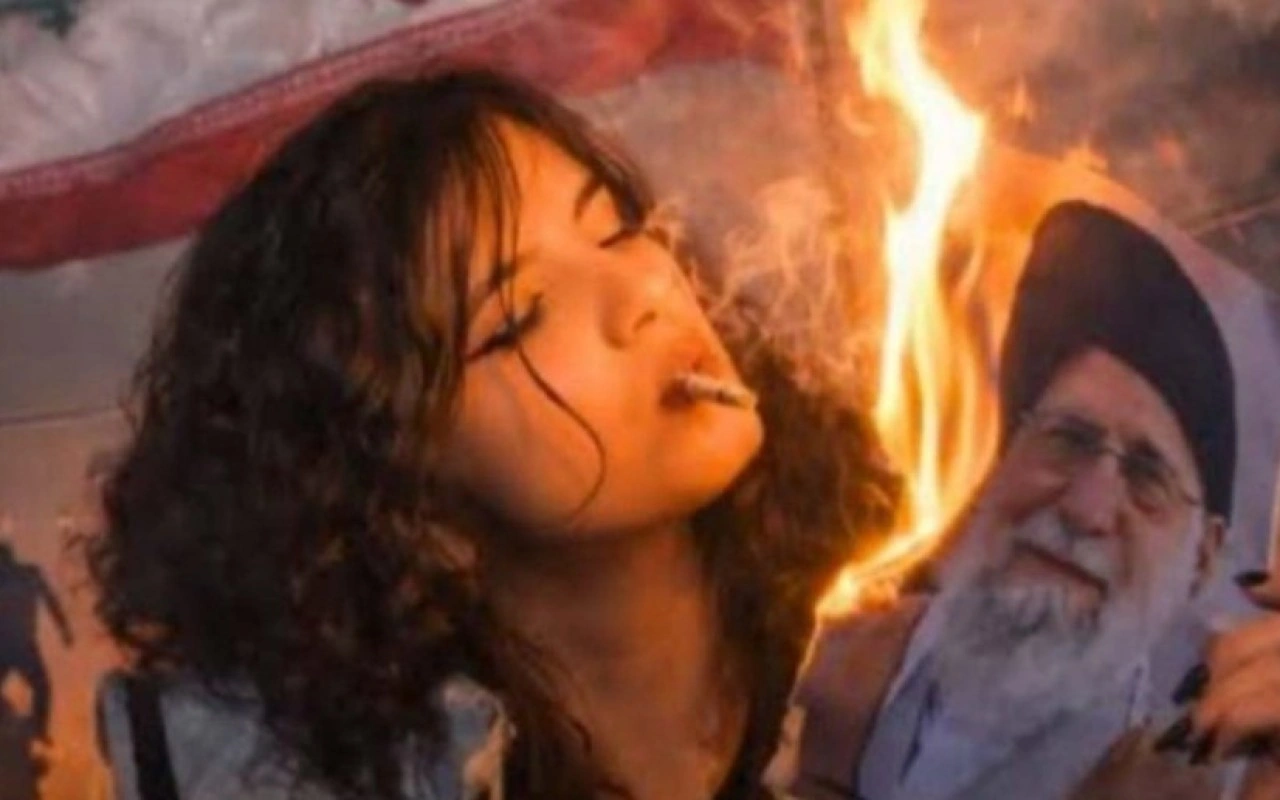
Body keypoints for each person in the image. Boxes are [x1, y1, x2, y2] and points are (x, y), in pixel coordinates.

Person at [83, 68, 896, 800]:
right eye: (519, 319)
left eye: (616, 230)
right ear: (404, 495)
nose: (643, 294)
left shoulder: (899, 625)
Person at [784, 201, 1280, 800]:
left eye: (1148, 478)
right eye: (1067, 439)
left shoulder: (1221, 775)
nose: (1086, 510)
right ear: (993, 462)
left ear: (1203, 555)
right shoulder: (822, 656)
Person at [0, 537, 73, 746]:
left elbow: (51, 601)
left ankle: (37, 728)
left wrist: (64, 629)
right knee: (42, 687)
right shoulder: (30, 574)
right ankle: (35, 728)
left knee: (43, 686)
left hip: (18, 644)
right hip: (17, 644)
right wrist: (64, 629)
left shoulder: (30, 574)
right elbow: (51, 601)